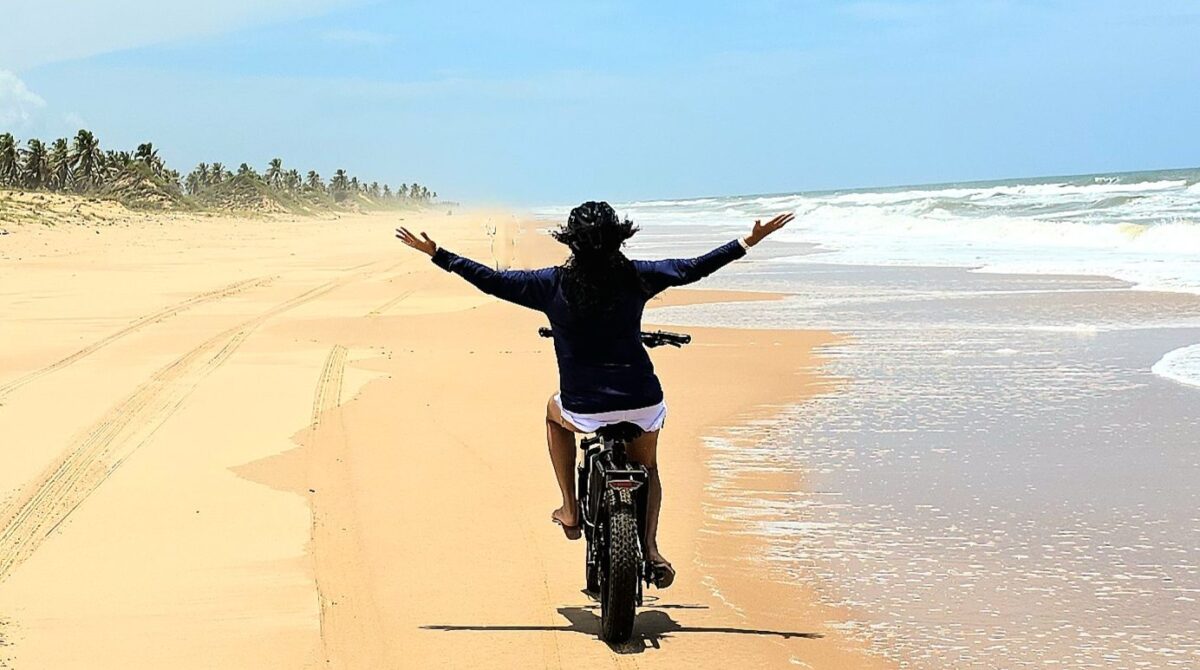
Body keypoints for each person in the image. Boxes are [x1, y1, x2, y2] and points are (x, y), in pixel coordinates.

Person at [395, 202, 793, 588]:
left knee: (553, 413)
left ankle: (570, 508)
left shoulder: (549, 284)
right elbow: (692, 269)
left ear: (572, 242)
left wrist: (438, 254)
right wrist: (746, 242)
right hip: (642, 402)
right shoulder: (638, 276)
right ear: (618, 238)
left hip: (583, 408)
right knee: (649, 468)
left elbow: (493, 281)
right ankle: (651, 548)